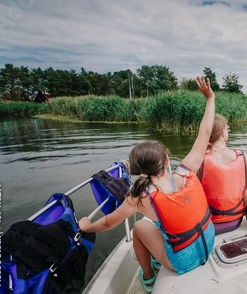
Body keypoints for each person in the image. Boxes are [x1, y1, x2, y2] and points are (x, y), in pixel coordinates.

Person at [78, 76, 215, 292]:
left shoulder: (139, 198)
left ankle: (149, 278)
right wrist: (210, 99)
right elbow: (205, 133)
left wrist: (87, 226)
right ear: (167, 161)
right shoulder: (186, 172)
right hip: (208, 244)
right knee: (162, 221)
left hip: (183, 262)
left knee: (141, 226)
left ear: (136, 171)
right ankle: (158, 260)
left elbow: (107, 223)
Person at [198, 114, 247, 235]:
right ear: (222, 133)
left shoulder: (200, 160)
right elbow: (244, 186)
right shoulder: (242, 156)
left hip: (210, 224)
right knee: (246, 186)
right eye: (226, 129)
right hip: (236, 221)